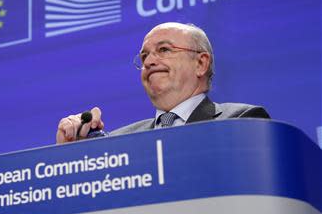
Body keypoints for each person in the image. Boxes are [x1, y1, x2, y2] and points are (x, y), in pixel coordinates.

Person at [56, 22, 270, 143]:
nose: (149, 61)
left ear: (201, 63)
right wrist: (72, 156)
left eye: (164, 50)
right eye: (144, 56)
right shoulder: (117, 142)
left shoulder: (241, 122)